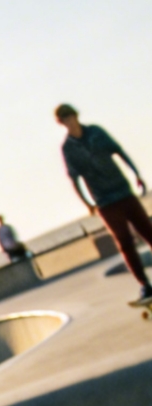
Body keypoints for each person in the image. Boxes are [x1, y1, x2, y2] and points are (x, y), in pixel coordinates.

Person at [56, 105, 152, 305]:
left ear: (76, 116)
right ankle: (145, 284)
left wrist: (138, 176)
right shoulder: (68, 149)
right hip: (105, 202)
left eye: (71, 117)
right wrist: (87, 204)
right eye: (65, 120)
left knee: (148, 231)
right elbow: (74, 179)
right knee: (125, 243)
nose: (70, 122)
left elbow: (119, 152)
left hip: (123, 191)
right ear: (62, 124)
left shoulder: (96, 132)